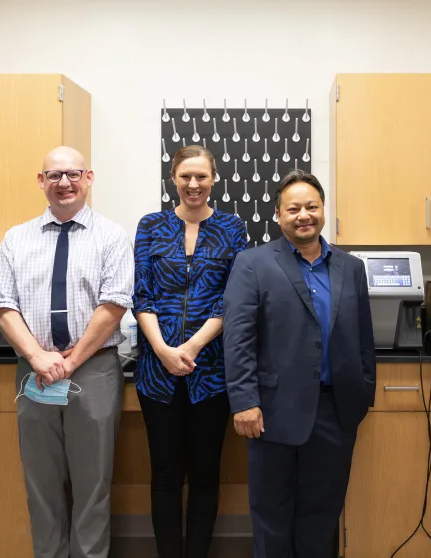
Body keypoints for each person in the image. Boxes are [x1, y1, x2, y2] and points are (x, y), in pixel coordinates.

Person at [0, 146, 134, 558]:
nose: (64, 183)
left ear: (88, 178)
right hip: (34, 372)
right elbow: (1, 303)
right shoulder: (17, 238)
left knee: (93, 486)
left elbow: (114, 304)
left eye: (72, 174)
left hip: (93, 370)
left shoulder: (111, 236)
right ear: (41, 181)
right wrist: (37, 356)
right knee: (42, 483)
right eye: (53, 175)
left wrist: (70, 361)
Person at [223, 169, 377, 558]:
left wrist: (362, 394)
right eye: (294, 208)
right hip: (271, 414)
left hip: (336, 412)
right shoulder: (252, 263)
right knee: (272, 520)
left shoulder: (350, 267)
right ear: (278, 215)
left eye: (312, 206)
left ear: (323, 210)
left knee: (322, 517)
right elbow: (238, 338)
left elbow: (363, 337)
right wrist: (244, 401)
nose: (304, 215)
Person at [133, 145, 248, 558]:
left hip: (211, 372)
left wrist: (194, 344)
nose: (193, 184)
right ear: (173, 179)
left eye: (201, 176)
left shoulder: (232, 228)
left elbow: (231, 298)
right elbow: (142, 295)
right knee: (164, 474)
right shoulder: (150, 226)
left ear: (213, 179)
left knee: (204, 474)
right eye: (186, 176)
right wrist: (163, 350)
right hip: (155, 373)